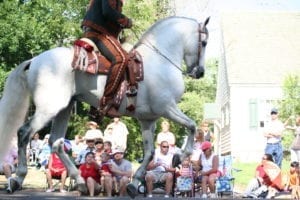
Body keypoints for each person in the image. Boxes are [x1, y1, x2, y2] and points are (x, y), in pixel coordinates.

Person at [81, 0, 133, 116]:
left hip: (94, 31)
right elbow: (108, 12)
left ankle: (94, 106)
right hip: (98, 33)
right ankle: (107, 102)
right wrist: (126, 21)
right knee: (121, 58)